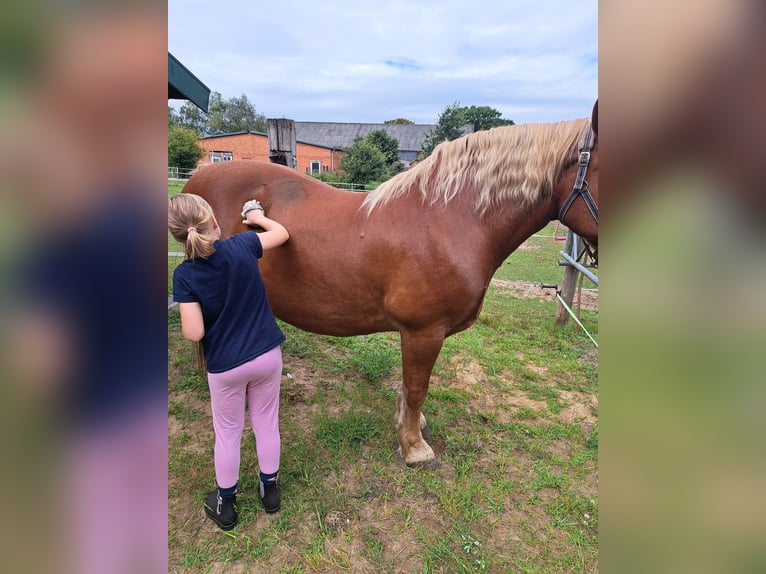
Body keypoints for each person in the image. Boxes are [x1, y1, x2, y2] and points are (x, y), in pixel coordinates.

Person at [168, 194, 289, 531]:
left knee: (228, 434)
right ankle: (270, 491)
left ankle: (226, 503)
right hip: (267, 354)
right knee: (267, 423)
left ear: (179, 237)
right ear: (215, 222)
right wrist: (257, 215)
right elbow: (281, 234)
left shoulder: (184, 276)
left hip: (226, 367)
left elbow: (193, 333)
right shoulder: (243, 245)